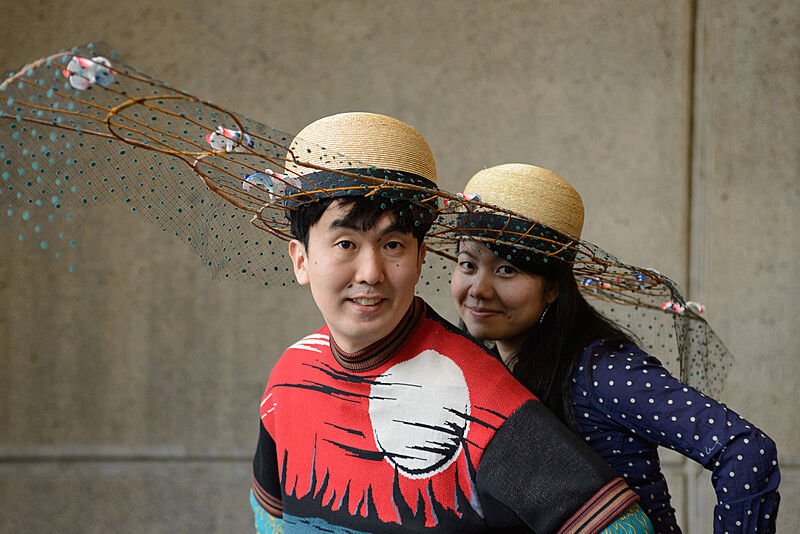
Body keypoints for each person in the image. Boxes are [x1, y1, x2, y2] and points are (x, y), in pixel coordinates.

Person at [249, 113, 654, 533]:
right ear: (301, 260)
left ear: (421, 258)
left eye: (392, 245)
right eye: (346, 243)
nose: (370, 272)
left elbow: (624, 527)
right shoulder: (289, 374)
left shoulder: (482, 392)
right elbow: (269, 516)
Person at [449, 163, 781, 534]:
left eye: (507, 269)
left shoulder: (601, 371)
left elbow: (746, 449)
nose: (478, 288)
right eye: (467, 264)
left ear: (554, 287)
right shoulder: (477, 370)